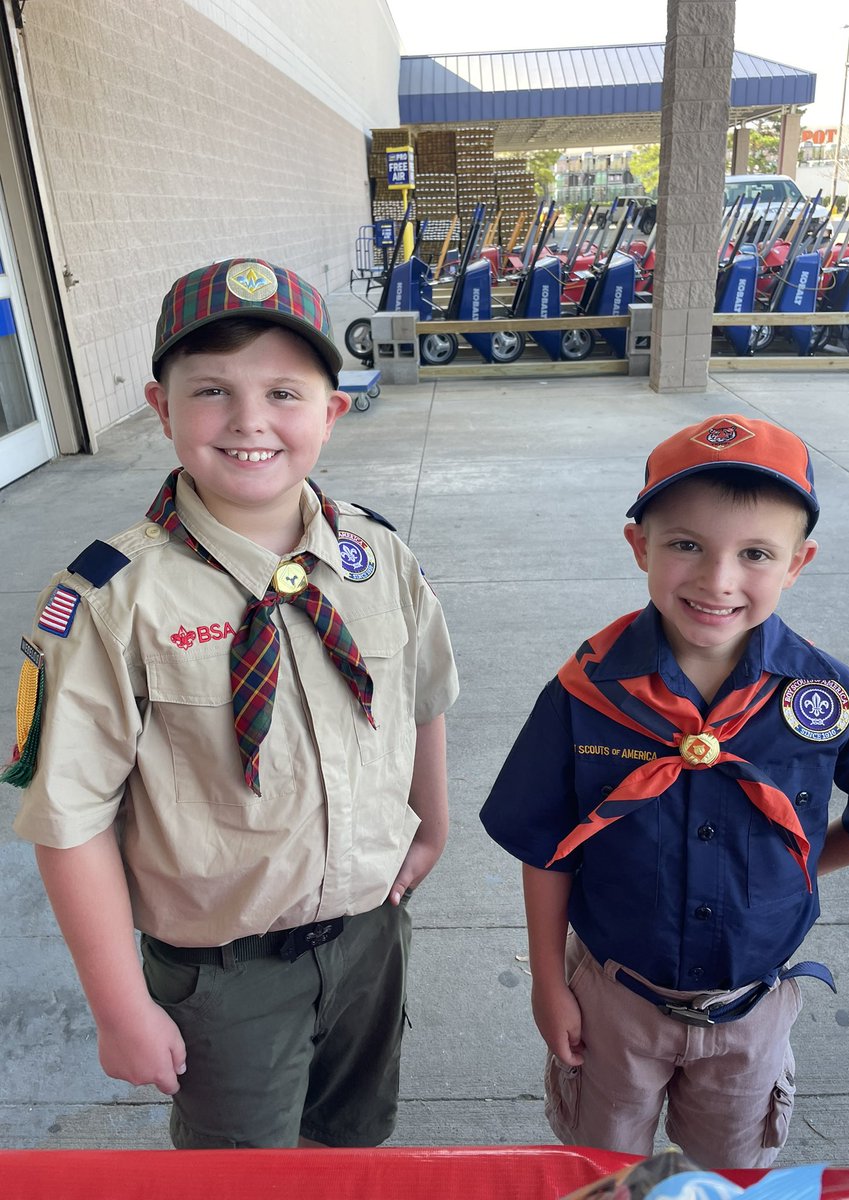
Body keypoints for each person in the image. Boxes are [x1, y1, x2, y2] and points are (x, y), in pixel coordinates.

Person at [7, 257, 458, 1150]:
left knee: (353, 1144)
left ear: (331, 411)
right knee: (240, 1169)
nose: (250, 420)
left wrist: (430, 829)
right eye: (212, 390)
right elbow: (69, 816)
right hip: (222, 976)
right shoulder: (111, 601)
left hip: (371, 936)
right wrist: (119, 1006)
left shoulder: (377, 558)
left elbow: (421, 698)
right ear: (162, 407)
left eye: (284, 393)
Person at [480, 413, 849, 1168]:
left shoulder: (827, 696)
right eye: (686, 545)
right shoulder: (585, 691)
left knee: (728, 1174)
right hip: (616, 999)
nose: (717, 580)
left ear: (798, 563)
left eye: (756, 554)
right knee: (605, 1171)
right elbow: (544, 842)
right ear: (640, 545)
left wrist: (806, 863)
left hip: (751, 1008)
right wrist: (548, 981)